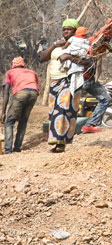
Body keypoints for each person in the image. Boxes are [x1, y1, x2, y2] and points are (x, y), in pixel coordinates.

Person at [40, 19, 85, 152]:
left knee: (64, 111)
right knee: (53, 113)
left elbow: (86, 62)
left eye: (69, 29)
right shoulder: (58, 45)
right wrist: (54, 45)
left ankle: (61, 144)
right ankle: (56, 141)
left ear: (75, 31)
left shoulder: (78, 44)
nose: (66, 31)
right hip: (55, 82)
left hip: (69, 80)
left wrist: (70, 57)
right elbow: (42, 58)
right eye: (64, 28)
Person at [0, 57, 39, 154]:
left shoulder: (10, 72)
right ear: (23, 64)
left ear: (13, 65)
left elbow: (6, 93)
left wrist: (3, 112)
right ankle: (17, 148)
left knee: (9, 122)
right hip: (33, 93)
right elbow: (36, 86)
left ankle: (8, 149)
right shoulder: (32, 72)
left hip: (21, 93)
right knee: (23, 121)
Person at [80, 57, 109, 133]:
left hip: (81, 78)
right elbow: (99, 67)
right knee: (106, 99)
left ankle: (89, 125)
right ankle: (89, 125)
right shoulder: (97, 50)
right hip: (86, 79)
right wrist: (95, 80)